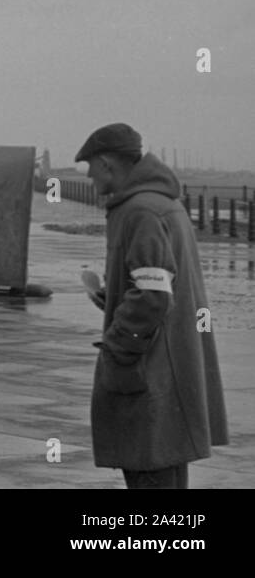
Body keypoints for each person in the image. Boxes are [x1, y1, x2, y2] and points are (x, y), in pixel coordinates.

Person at [77, 123, 227, 489]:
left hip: (150, 369)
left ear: (108, 163)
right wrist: (111, 298)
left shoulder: (140, 211)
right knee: (167, 471)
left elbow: (152, 295)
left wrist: (118, 344)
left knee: (148, 471)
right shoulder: (162, 204)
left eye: (90, 166)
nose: (89, 175)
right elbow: (154, 283)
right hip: (171, 363)